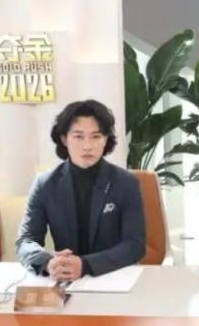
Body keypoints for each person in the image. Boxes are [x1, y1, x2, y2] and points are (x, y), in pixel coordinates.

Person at [16, 99, 145, 280]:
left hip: (113, 277)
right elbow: (26, 241)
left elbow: (135, 245)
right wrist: (48, 262)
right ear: (64, 139)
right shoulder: (45, 184)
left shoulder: (126, 183)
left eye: (96, 136)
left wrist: (85, 265)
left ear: (105, 139)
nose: (87, 146)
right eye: (78, 136)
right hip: (65, 280)